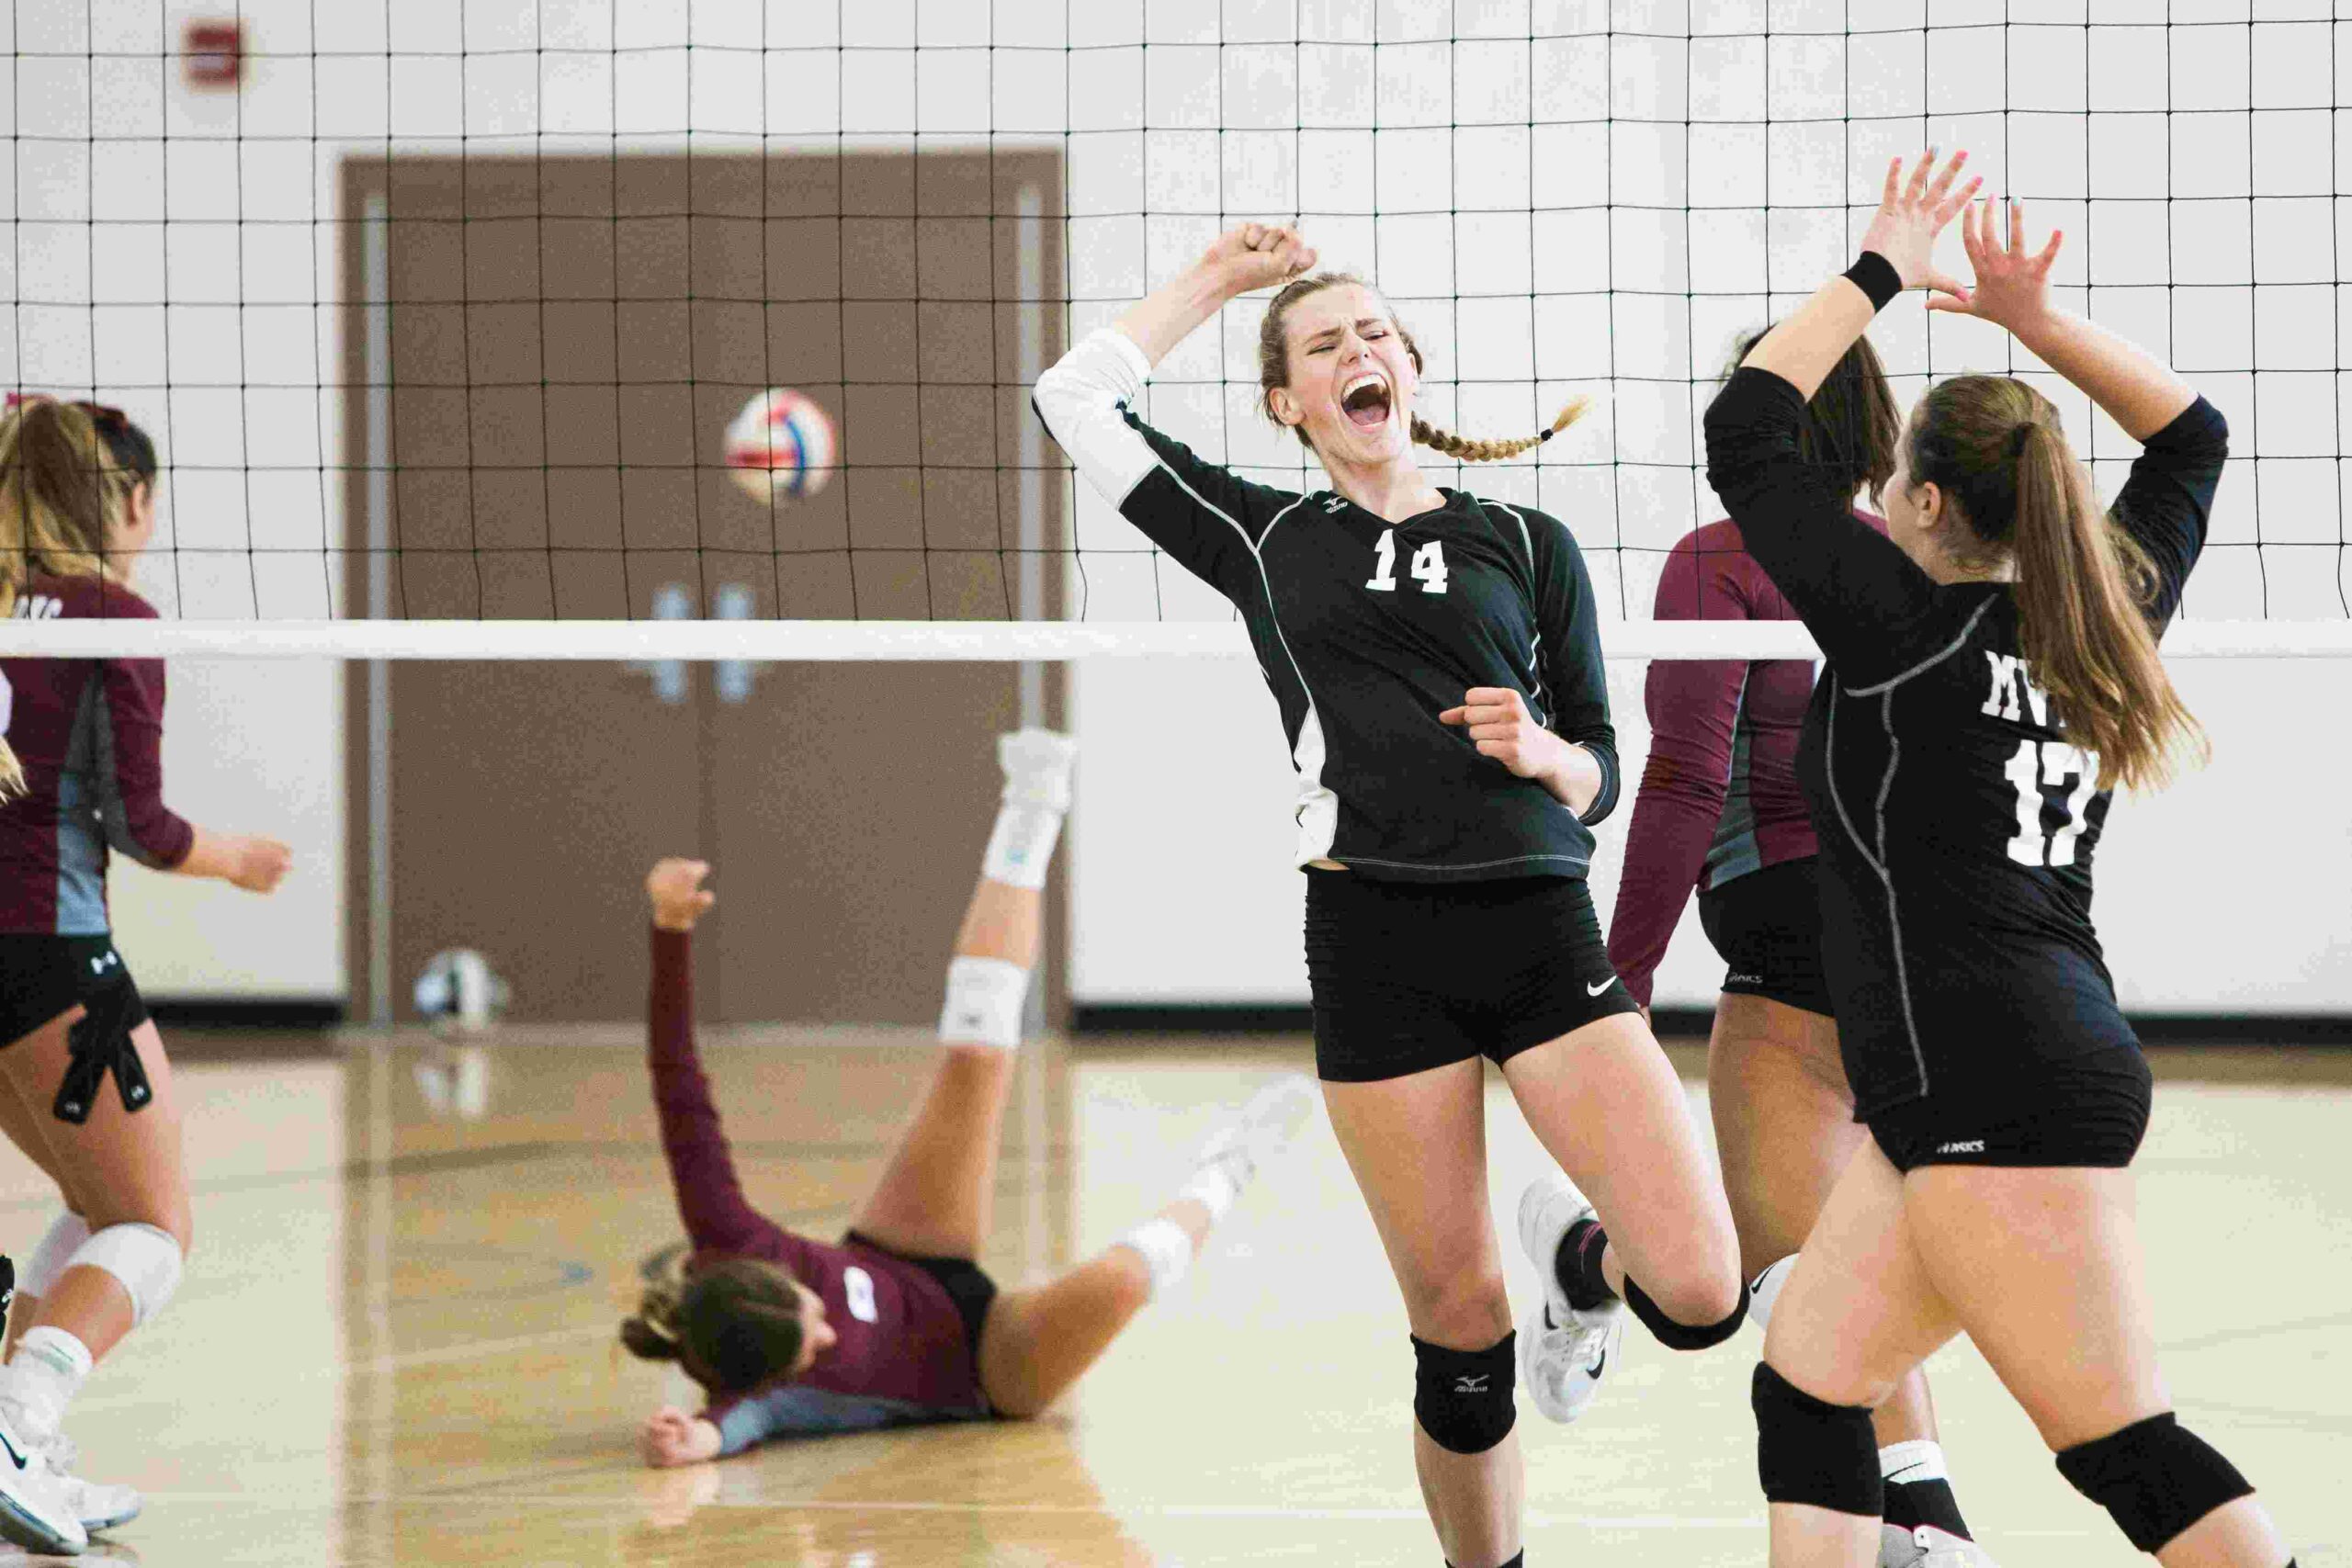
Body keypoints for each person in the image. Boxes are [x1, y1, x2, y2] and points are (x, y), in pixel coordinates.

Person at [1034, 224, 1745, 1568]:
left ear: (1411, 368)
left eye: (1374, 333)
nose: (1358, 351)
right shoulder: (1259, 533)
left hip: (1536, 921)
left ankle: (1578, 1266)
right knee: (1457, 1323)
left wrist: (1546, 753)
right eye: (1322, 344)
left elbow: (1601, 769)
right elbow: (1072, 398)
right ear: (1287, 402)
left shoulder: (1528, 542)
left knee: (1702, 1290)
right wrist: (1222, 283)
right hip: (1375, 936)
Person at [1705, 151, 2297, 1568]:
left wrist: (1880, 271)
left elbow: (1747, 425)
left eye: (1898, 476)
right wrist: (2034, 327)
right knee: (1809, 1386)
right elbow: (2195, 439)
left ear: (1913, 508)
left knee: (2119, 1443)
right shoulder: (2103, 614)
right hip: (1991, 1068)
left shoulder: (1900, 629)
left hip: (1994, 1076)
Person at [622, 729, 1314, 1463]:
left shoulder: (727, 1231)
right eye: (811, 1348)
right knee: (1118, 1279)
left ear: (760, 1275)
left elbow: (679, 1089)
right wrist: (692, 1439)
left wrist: (668, 932)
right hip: (984, 1367)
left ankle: (1033, 802)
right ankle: (1227, 1171)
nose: (827, 1334)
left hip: (906, 1253)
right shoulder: (759, 1395)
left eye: (811, 1313)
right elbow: (729, 1427)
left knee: (977, 1051)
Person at [1608, 341, 1992, 1568]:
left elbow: (1682, 777)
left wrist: (1618, 979)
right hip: (1932, 932)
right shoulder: (1925, 564)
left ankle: (1581, 1255)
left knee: (1772, 1278)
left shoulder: (1725, 556)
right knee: (1837, 1248)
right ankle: (1929, 1513)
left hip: (1789, 922)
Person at [0, 396, 293, 1554]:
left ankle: (23, 1442)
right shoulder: (110, 615)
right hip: (51, 960)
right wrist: (236, 862)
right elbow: (141, 821)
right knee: (156, 1228)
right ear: (127, 501)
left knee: (96, 1205)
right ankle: (18, 1424)